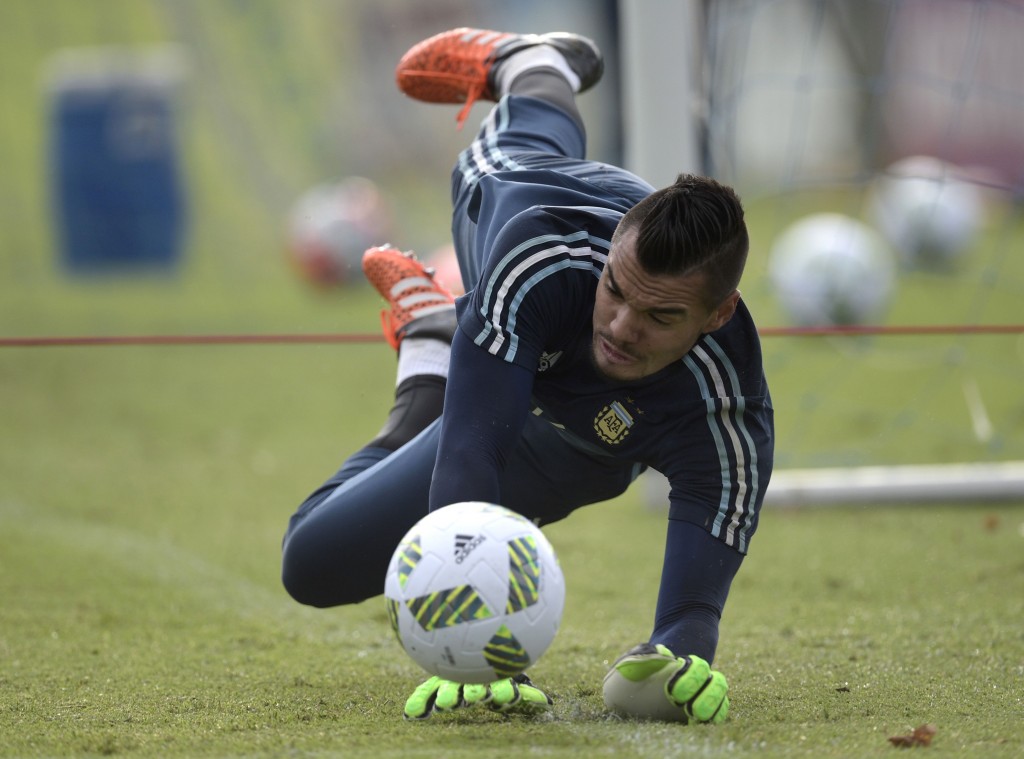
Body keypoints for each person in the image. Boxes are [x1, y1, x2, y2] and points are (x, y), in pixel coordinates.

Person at [281, 27, 774, 723]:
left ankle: (434, 335)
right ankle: (536, 64)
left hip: (588, 445)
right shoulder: (537, 261)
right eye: (617, 290)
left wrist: (679, 655)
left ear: (717, 316)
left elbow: (693, 614)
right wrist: (471, 653)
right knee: (310, 563)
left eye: (660, 316)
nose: (622, 326)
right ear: (609, 258)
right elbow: (474, 452)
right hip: (515, 203)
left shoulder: (726, 409)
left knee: (589, 459)